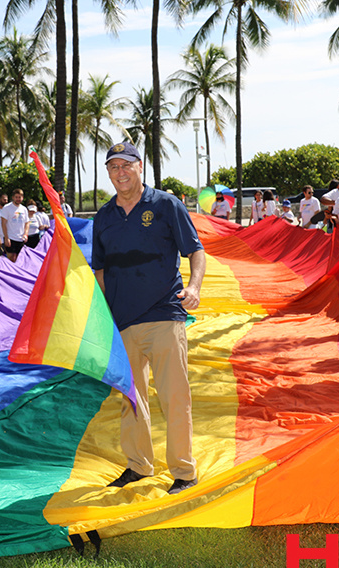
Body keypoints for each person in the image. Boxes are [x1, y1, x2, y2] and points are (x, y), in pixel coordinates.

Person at [94, 141, 206, 495]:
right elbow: (99, 270)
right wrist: (103, 315)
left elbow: (195, 250)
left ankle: (184, 472)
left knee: (174, 398)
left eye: (126, 165)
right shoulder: (103, 217)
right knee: (131, 399)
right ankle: (139, 465)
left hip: (164, 315)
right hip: (123, 323)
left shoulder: (165, 205)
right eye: (113, 166)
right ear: (109, 173)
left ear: (140, 167)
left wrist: (195, 287)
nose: (120, 172)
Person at [1, 189, 29, 262]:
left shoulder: (24, 209)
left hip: (20, 238)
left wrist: (26, 234)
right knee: (12, 258)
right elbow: (3, 223)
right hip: (11, 237)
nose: (18, 199)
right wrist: (6, 238)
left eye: (20, 197)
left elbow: (27, 223)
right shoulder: (7, 208)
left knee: (20, 259)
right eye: (16, 197)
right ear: (13, 197)